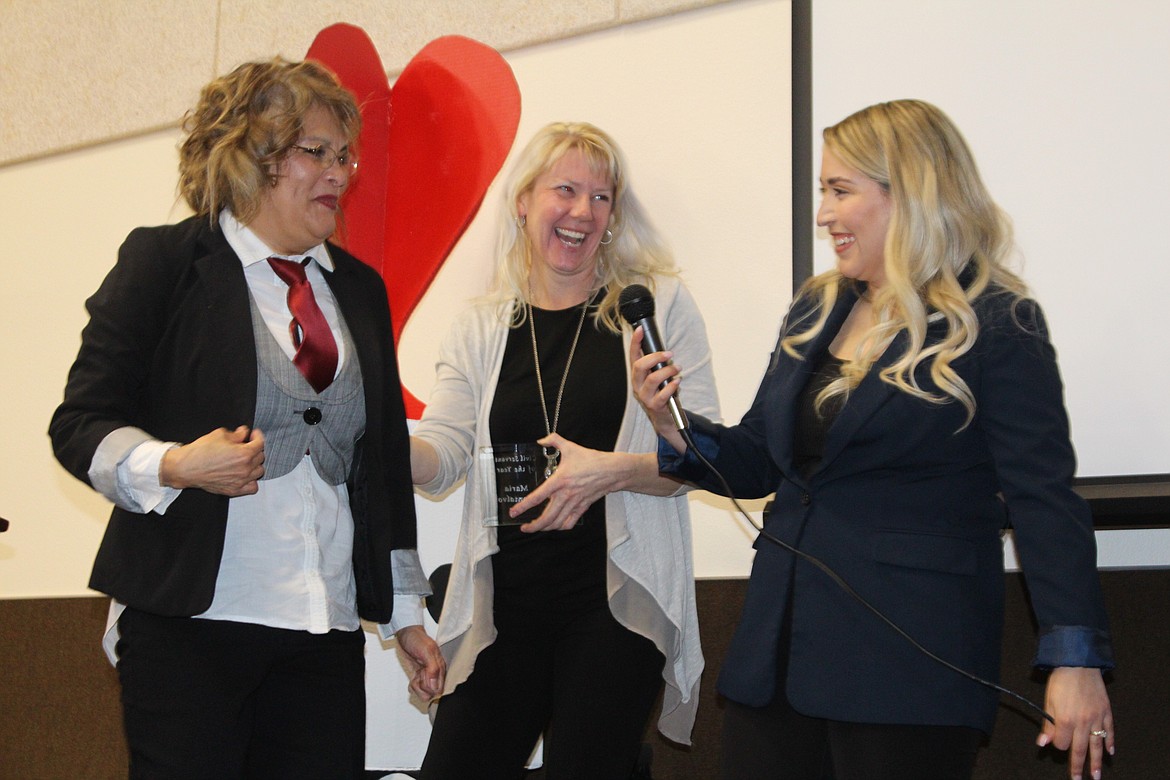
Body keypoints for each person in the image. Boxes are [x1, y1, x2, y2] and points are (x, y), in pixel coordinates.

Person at [631, 99, 1115, 780]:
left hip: (908, 667)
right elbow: (756, 459)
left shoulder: (998, 322)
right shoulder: (817, 309)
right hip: (778, 659)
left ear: (908, 194)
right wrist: (668, 422)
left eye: (840, 190)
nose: (823, 213)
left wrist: (1075, 657)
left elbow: (1043, 499)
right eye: (822, 190)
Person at [49, 58, 444, 779]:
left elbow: (380, 464)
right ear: (250, 156)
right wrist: (173, 464)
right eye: (315, 151)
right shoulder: (166, 263)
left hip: (322, 624)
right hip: (192, 620)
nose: (340, 173)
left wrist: (405, 612)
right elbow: (80, 422)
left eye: (344, 155)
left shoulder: (358, 289)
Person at [409, 121, 720, 779]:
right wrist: (386, 443)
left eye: (601, 196)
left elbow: (705, 458)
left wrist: (615, 467)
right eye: (566, 190)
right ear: (524, 201)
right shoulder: (480, 328)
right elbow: (442, 454)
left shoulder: (653, 307)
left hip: (612, 605)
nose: (583, 211)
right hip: (506, 605)